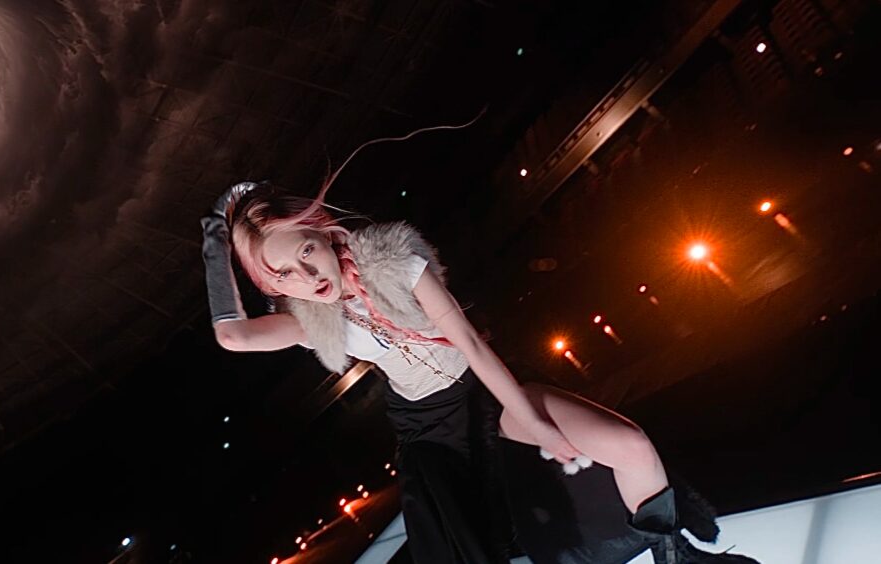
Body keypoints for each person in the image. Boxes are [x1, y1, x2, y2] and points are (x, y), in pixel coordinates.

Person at [201, 180, 758, 564]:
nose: (306, 277)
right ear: (272, 285)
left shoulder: (394, 260)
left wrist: (534, 425)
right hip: (430, 435)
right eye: (283, 275)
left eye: (306, 252)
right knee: (466, 551)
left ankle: (677, 556)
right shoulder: (308, 320)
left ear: (323, 232)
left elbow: (468, 343)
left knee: (629, 446)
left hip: (485, 394)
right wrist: (215, 241)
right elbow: (232, 335)